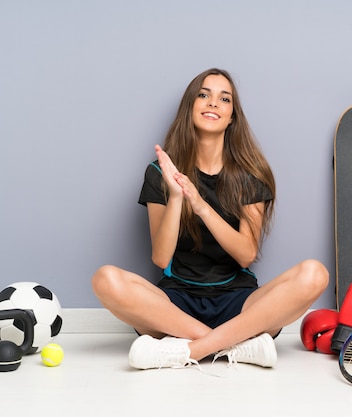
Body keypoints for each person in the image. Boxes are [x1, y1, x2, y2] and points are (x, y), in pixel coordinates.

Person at [91, 68, 329, 370]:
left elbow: (246, 255)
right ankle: (235, 346)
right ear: (190, 106)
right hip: (176, 305)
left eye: (224, 98)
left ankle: (189, 350)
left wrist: (201, 205)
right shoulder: (159, 172)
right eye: (203, 95)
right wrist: (177, 195)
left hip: (239, 303)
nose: (213, 103)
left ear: (232, 118)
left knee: (314, 273)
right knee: (105, 279)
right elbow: (161, 256)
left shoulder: (250, 175)